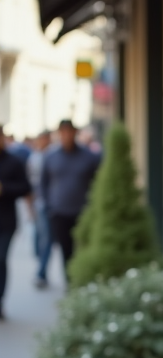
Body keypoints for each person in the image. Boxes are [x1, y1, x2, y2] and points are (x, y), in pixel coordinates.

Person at [41, 119, 101, 284]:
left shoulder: (89, 157)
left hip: (83, 212)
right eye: (63, 132)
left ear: (75, 132)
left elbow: (98, 182)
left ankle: (81, 281)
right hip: (59, 212)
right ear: (59, 134)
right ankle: (70, 282)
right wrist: (49, 205)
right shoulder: (51, 156)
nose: (66, 135)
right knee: (65, 250)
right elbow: (44, 183)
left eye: (70, 131)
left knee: (82, 248)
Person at [0, 131, 33, 319]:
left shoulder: (14, 162)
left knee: (1, 259)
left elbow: (26, 188)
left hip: (6, 221)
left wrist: (5, 189)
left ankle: (0, 300)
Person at [24, 131, 53, 287]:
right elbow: (28, 183)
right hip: (37, 201)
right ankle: (40, 263)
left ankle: (41, 271)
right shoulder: (34, 158)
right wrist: (29, 205)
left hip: (47, 203)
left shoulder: (53, 155)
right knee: (38, 237)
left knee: (46, 238)